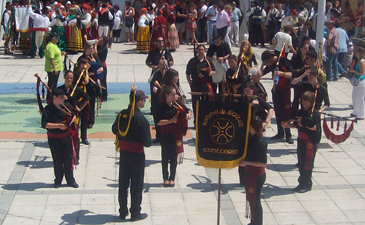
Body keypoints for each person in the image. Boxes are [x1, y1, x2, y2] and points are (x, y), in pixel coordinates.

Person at [112, 88, 152, 221]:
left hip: (124, 153)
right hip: (136, 155)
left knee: (123, 183)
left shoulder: (122, 115)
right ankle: (135, 212)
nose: (145, 102)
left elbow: (114, 129)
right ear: (139, 101)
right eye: (144, 100)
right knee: (136, 184)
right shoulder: (141, 119)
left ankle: (122, 212)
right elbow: (147, 143)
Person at [282, 91, 321, 193]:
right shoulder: (300, 112)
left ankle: (307, 183)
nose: (303, 103)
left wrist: (306, 124)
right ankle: (301, 182)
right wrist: (287, 126)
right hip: (301, 140)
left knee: (307, 163)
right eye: (303, 100)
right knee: (301, 162)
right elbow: (296, 125)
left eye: (306, 101)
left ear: (311, 102)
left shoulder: (314, 113)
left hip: (310, 141)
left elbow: (316, 128)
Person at [41, 88, 79, 189]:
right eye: (61, 97)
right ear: (54, 98)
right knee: (57, 160)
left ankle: (70, 180)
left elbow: (74, 115)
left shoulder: (65, 107)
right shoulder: (47, 109)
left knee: (68, 159)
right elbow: (44, 124)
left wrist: (71, 121)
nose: (63, 99)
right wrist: (58, 126)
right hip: (54, 139)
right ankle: (58, 180)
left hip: (66, 137)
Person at [157, 85, 192, 187]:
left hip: (176, 134)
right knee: (164, 156)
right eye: (173, 94)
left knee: (173, 156)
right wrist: (171, 121)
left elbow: (188, 110)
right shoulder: (160, 106)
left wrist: (188, 114)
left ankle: (172, 178)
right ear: (167, 95)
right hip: (165, 134)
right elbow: (158, 122)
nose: (175, 96)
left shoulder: (177, 103)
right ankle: (165, 177)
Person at [239, 116, 267, 224]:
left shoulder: (260, 142)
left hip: (256, 175)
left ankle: (258, 222)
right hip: (249, 172)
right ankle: (253, 220)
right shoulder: (251, 138)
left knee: (256, 200)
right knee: (251, 199)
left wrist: (248, 163)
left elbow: (263, 163)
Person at [261, 50, 294, 144]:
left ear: (271, 58)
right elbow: (263, 72)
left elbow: (292, 74)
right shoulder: (271, 65)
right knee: (278, 111)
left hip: (285, 89)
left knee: (286, 112)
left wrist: (282, 73)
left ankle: (288, 134)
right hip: (276, 90)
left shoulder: (284, 61)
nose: (268, 64)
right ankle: (280, 132)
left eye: (268, 61)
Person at [58, 71, 91, 164]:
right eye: (68, 78)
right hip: (62, 117)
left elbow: (87, 98)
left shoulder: (76, 89)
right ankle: (64, 156)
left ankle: (76, 157)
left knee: (75, 137)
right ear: (64, 78)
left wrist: (79, 107)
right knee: (63, 137)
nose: (69, 80)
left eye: (71, 78)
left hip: (74, 117)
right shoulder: (59, 90)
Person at [186, 44, 215, 125]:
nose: (201, 51)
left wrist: (206, 74)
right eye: (199, 50)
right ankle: (196, 122)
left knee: (206, 104)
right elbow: (188, 73)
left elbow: (214, 71)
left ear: (204, 51)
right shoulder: (192, 61)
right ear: (197, 51)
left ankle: (205, 121)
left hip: (205, 85)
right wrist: (190, 83)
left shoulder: (208, 60)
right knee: (196, 104)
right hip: (195, 85)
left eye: (202, 50)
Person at [78, 41, 103, 130]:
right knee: (83, 102)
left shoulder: (95, 57)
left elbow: (101, 68)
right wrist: (88, 72)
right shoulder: (81, 59)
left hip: (93, 82)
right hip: (84, 82)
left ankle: (91, 121)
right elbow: (79, 70)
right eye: (90, 48)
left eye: (92, 48)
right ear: (85, 49)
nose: (92, 50)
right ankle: (82, 119)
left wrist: (95, 69)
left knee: (92, 102)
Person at [347, 46, 365, 120]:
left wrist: (353, 71)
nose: (355, 53)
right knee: (354, 96)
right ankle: (355, 112)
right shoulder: (358, 60)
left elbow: (362, 73)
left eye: (356, 52)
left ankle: (361, 114)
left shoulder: (362, 61)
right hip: (357, 81)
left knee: (360, 98)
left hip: (361, 81)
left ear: (359, 53)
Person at [45, 32, 63, 103]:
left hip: (57, 67)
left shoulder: (54, 45)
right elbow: (51, 58)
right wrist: (54, 68)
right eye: (56, 38)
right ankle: (50, 97)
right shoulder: (50, 46)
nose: (57, 39)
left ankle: (52, 96)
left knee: (54, 83)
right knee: (52, 84)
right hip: (52, 68)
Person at [96, 36, 109, 101]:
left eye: (101, 38)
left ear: (104, 41)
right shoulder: (99, 46)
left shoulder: (104, 49)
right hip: (97, 66)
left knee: (103, 82)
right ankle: (98, 94)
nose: (99, 39)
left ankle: (104, 96)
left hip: (102, 66)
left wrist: (95, 44)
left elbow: (96, 54)